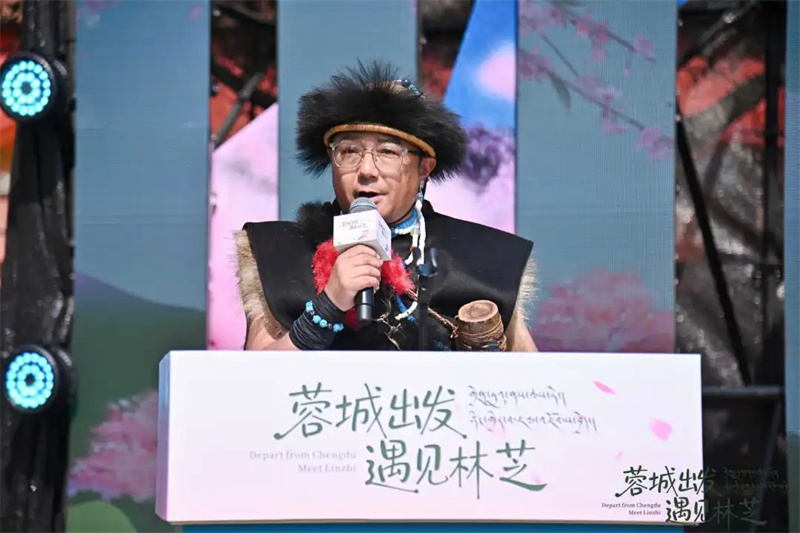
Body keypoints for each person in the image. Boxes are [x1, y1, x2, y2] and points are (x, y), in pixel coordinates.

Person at [236, 60, 538, 352]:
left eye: (388, 152)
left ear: (424, 168)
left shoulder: (483, 258)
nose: (366, 169)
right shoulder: (281, 253)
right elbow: (254, 377)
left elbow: (534, 378)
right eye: (350, 151)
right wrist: (328, 306)